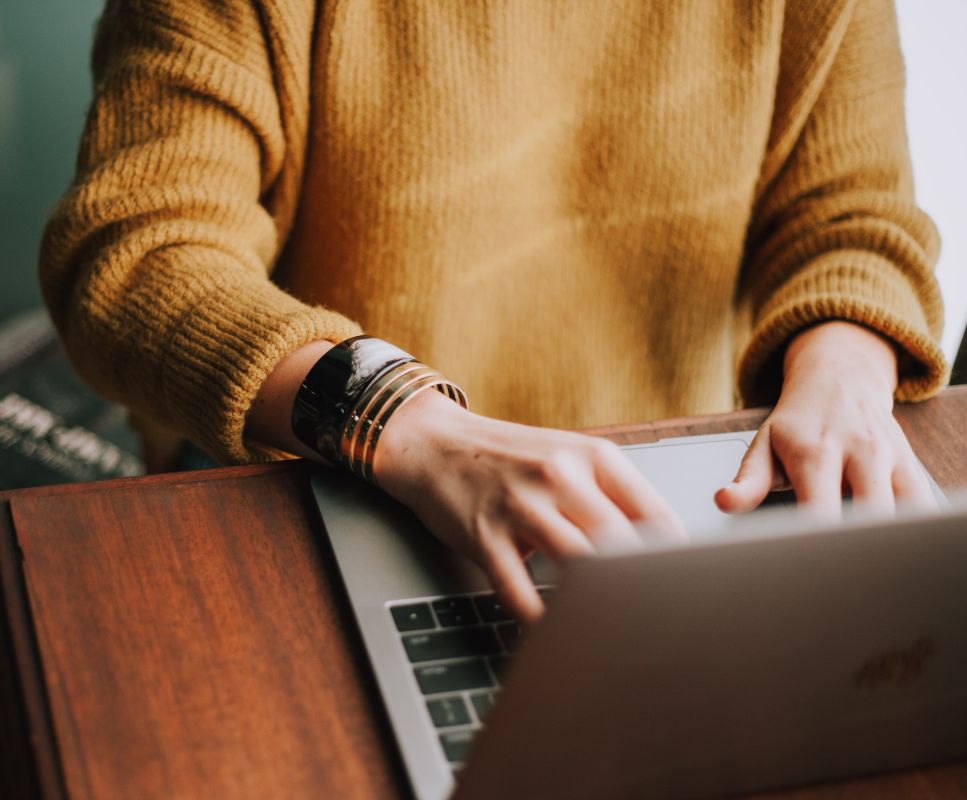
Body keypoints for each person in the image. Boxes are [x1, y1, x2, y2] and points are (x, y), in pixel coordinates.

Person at [39, 0, 948, 622]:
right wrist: (398, 419)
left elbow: (853, 216)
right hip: (321, 472)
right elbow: (135, 252)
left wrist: (846, 367)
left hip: (667, 501)